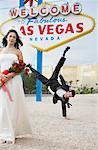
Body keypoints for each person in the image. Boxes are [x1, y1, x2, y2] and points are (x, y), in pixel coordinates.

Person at [0, 29, 32, 144]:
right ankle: (2, 132)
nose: (12, 38)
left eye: (14, 37)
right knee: (3, 106)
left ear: (16, 39)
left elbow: (21, 67)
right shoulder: (0, 50)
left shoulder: (18, 52)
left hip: (14, 81)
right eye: (10, 36)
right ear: (6, 37)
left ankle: (11, 132)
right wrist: (2, 76)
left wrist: (9, 76)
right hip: (1, 80)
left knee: (12, 105)